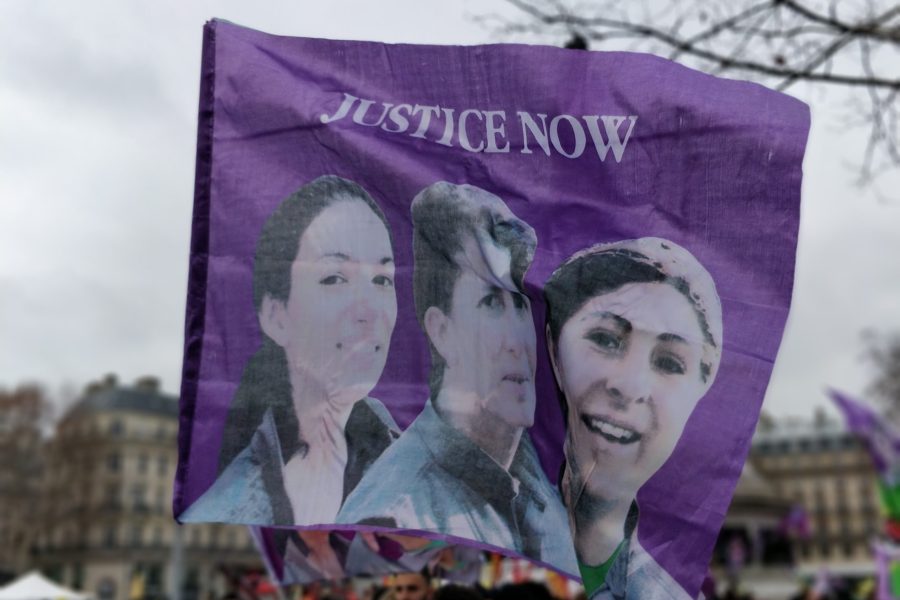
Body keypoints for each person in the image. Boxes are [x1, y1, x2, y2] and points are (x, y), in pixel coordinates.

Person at [337, 182, 576, 575]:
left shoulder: (535, 484)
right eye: (490, 304)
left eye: (520, 304)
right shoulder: (393, 523)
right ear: (442, 331)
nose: (518, 339)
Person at [180, 175, 400, 525]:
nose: (370, 309)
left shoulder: (411, 472)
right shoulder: (227, 512)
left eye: (382, 279)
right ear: (276, 317)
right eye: (334, 278)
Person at [543, 237, 724, 600]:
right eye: (606, 340)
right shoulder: (469, 542)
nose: (630, 386)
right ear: (554, 350)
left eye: (670, 363)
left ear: (699, 394)